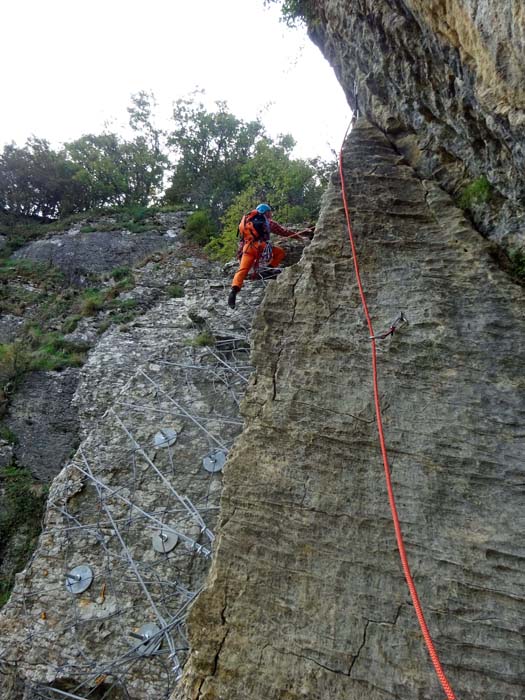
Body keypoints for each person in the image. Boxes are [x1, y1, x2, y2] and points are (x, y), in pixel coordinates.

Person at [228, 203, 313, 308]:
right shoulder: (268, 222)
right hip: (261, 248)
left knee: (242, 270)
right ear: (266, 212)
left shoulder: (247, 222)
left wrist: (240, 255)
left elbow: (242, 241)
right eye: (269, 212)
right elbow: (283, 232)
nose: (271, 214)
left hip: (247, 248)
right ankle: (268, 270)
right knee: (279, 253)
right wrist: (300, 238)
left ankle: (233, 291)